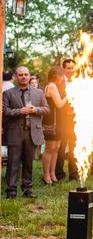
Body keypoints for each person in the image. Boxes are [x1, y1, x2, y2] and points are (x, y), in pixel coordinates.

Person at [3, 66, 49, 198]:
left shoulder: (39, 93)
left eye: (26, 74)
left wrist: (36, 110)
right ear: (16, 77)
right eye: (20, 75)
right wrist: (19, 111)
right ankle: (11, 191)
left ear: (29, 76)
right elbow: (4, 111)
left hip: (32, 133)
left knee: (28, 162)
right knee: (13, 163)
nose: (23, 77)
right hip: (15, 133)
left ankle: (27, 189)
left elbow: (46, 109)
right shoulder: (8, 93)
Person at [42, 67, 68, 184]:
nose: (63, 78)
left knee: (56, 148)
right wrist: (69, 96)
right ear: (56, 75)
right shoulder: (51, 86)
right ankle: (46, 175)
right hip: (51, 122)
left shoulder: (56, 86)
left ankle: (53, 174)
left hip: (59, 122)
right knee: (49, 149)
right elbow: (59, 104)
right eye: (61, 75)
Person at [56, 58, 78, 181]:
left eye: (72, 68)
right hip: (61, 120)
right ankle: (58, 174)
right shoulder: (58, 83)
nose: (71, 70)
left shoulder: (79, 82)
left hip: (76, 120)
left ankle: (74, 174)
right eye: (68, 68)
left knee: (75, 148)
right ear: (63, 69)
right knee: (60, 147)